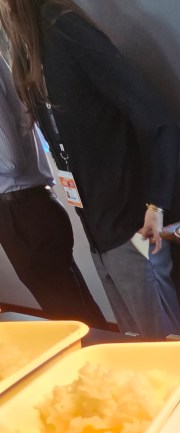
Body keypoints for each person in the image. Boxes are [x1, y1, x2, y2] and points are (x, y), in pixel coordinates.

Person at [0, 0, 180, 338]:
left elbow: (159, 120)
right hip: (101, 234)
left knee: (164, 347)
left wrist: (156, 205)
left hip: (131, 226)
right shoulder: (35, 47)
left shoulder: (64, 30)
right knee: (136, 349)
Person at [0, 54, 106, 325]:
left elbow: (9, 160)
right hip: (30, 207)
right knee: (79, 311)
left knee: (69, 318)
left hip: (20, 213)